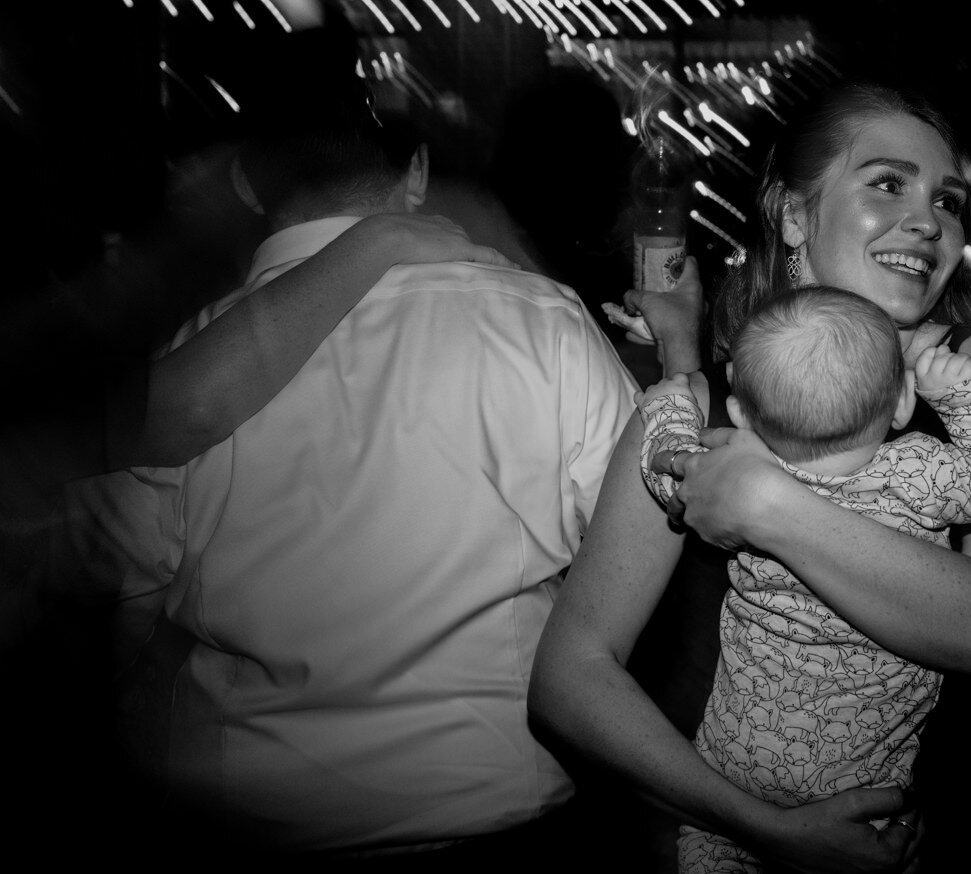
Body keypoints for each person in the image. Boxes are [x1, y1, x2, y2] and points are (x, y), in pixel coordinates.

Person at [63, 77, 640, 860]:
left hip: (258, 810)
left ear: (246, 185)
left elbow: (121, 602)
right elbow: (632, 544)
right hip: (493, 799)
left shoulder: (190, 358)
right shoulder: (542, 320)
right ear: (417, 173)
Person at [529, 80, 971, 873]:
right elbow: (568, 680)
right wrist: (761, 827)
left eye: (948, 201)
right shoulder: (696, 404)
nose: (929, 220)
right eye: (886, 183)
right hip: (706, 838)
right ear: (793, 213)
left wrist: (770, 505)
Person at [636, 284, 971, 873]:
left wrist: (672, 398)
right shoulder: (920, 471)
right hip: (860, 798)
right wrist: (961, 393)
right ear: (902, 403)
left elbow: (668, 464)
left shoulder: (733, 477)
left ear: (744, 415)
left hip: (729, 780)